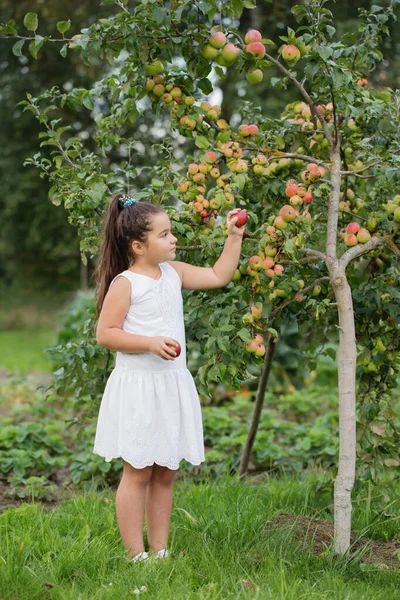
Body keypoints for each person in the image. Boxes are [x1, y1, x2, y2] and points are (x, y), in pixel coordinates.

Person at [93, 193, 246, 563]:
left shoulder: (173, 273)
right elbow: (106, 333)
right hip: (140, 390)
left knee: (165, 472)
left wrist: (234, 235)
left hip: (171, 384)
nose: (173, 239)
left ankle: (160, 550)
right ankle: (135, 554)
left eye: (171, 232)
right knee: (138, 472)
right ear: (138, 246)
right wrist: (148, 343)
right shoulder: (126, 283)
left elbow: (217, 275)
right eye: (164, 235)